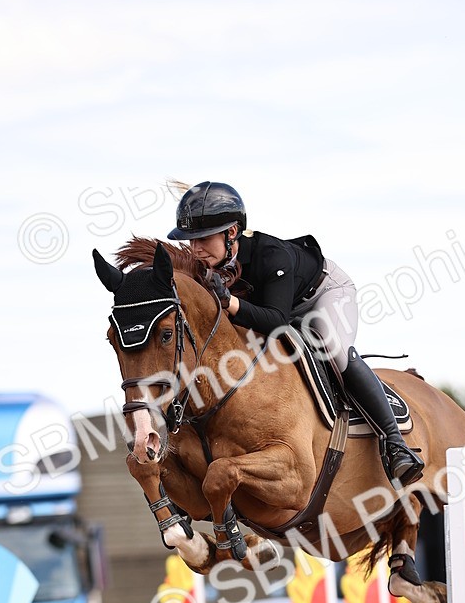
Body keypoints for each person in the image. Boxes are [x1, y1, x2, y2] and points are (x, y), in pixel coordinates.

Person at [168, 181, 425, 487]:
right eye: (191, 240)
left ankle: (395, 444)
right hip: (278, 309)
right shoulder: (210, 262)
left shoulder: (270, 255)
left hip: (322, 297)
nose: (195, 249)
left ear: (232, 233)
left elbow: (277, 322)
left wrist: (230, 302)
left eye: (203, 239)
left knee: (332, 347)